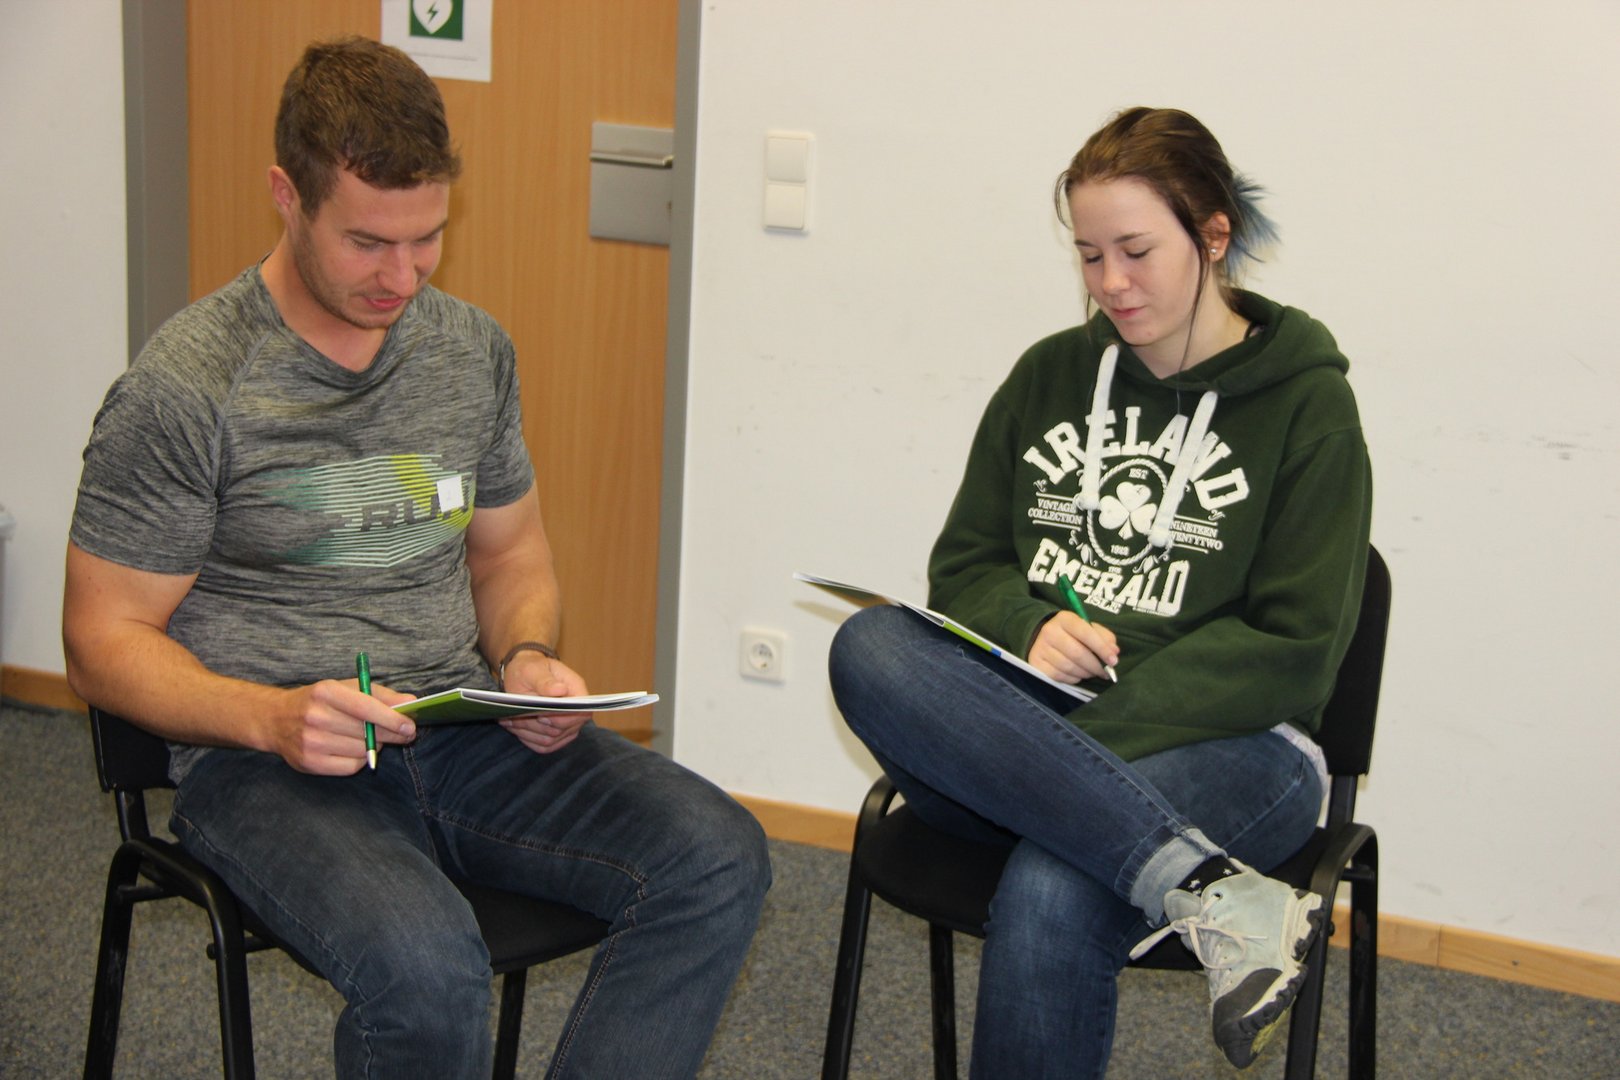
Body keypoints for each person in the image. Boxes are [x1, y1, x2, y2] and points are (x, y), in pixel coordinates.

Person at [64, 36, 769, 1079]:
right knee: (429, 967)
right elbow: (100, 640)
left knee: (716, 857)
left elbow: (510, 553)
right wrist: (271, 716)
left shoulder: (469, 351)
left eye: (427, 238)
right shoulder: (188, 387)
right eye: (366, 243)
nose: (401, 276)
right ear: (286, 198)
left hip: (453, 727)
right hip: (267, 766)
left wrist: (526, 658)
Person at [829, 106, 1371, 1076]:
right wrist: (1027, 624)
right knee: (866, 644)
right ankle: (1213, 893)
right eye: (1088, 255)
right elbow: (964, 570)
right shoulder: (1049, 374)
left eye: (1136, 251)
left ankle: (1152, 852)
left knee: (1053, 883)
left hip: (1240, 745)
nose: (1111, 283)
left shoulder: (1308, 405)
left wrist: (1066, 750)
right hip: (1034, 723)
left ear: (1214, 235)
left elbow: (1294, 650)